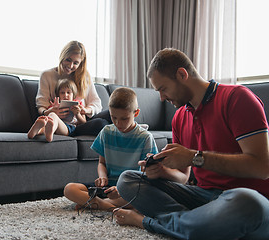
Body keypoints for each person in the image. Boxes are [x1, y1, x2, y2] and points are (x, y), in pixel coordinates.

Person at [113, 48, 269, 240]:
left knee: (247, 202)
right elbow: (183, 179)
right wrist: (162, 171)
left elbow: (262, 167)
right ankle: (199, 224)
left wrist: (195, 158)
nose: (161, 98)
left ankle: (149, 221)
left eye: (163, 89)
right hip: (202, 197)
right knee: (127, 180)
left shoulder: (237, 98)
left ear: (182, 74)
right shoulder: (179, 117)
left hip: (246, 199)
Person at [64, 87, 158, 211]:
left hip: (129, 189)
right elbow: (102, 163)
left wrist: (120, 190)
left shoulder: (145, 138)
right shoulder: (106, 132)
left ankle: (93, 203)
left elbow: (145, 175)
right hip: (108, 187)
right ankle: (109, 207)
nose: (118, 123)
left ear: (136, 113)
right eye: (114, 118)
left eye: (124, 119)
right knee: (69, 189)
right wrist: (103, 177)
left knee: (146, 196)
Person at [36, 40, 109, 137]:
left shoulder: (85, 76)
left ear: (80, 64)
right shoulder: (47, 75)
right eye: (68, 60)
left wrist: (84, 110)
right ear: (62, 56)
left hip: (82, 120)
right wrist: (50, 111)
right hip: (65, 123)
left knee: (113, 114)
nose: (70, 66)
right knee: (102, 124)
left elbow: (97, 104)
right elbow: (41, 106)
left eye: (75, 63)